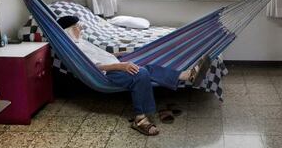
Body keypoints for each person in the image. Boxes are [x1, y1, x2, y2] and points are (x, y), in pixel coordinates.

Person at [56, 15, 209, 136]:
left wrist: (120, 54)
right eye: (77, 27)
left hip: (115, 63)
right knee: (140, 73)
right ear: (68, 31)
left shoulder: (81, 42)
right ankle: (140, 118)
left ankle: (186, 75)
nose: (81, 29)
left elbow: (102, 55)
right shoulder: (74, 49)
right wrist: (121, 65)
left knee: (145, 66)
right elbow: (94, 66)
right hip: (107, 73)